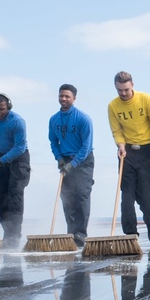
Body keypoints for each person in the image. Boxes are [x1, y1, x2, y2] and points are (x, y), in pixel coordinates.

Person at [108, 72, 150, 241]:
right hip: (127, 153)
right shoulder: (113, 106)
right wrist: (121, 145)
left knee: (147, 195)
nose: (123, 93)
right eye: (119, 90)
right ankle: (130, 234)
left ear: (132, 84)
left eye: (125, 89)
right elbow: (116, 131)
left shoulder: (146, 99)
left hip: (147, 150)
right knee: (126, 197)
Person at [49, 84, 95, 247]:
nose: (63, 99)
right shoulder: (54, 119)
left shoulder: (83, 119)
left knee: (82, 194)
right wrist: (60, 159)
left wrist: (74, 164)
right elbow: (53, 141)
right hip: (65, 159)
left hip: (83, 160)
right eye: (61, 96)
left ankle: (81, 234)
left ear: (74, 98)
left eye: (67, 96)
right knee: (67, 197)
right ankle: (71, 233)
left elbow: (87, 145)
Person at [0, 93, 30, 247]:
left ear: (8, 107)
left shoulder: (17, 122)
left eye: (2, 109)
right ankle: (7, 234)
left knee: (14, 195)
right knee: (1, 197)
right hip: (2, 155)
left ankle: (15, 236)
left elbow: (20, 147)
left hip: (19, 158)